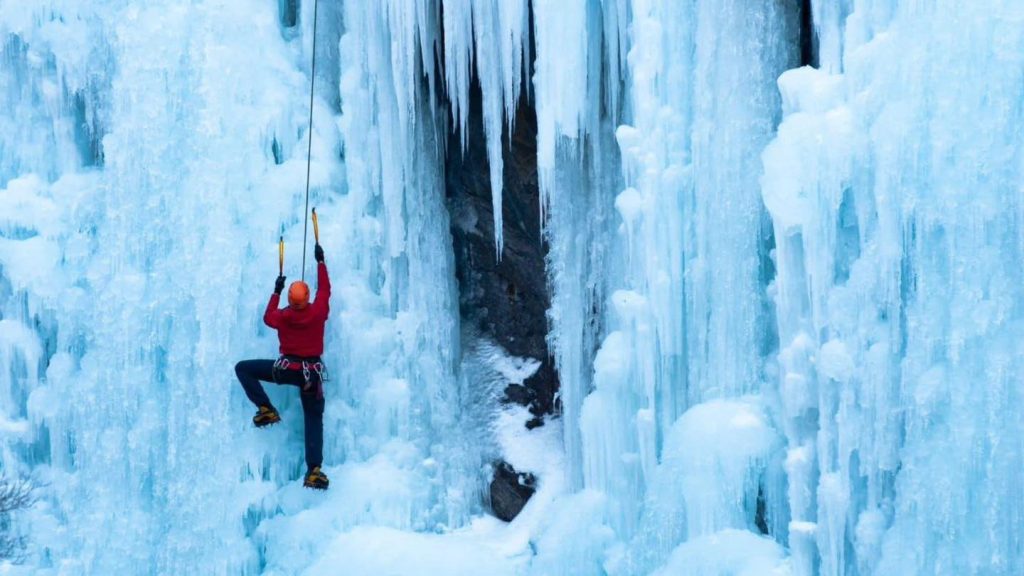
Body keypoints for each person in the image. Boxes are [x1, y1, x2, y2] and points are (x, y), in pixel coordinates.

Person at [235, 243, 331, 490]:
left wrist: (276, 291)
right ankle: (314, 471)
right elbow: (325, 290)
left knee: (244, 368)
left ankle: (266, 408)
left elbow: (268, 316)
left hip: (286, 370)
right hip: (311, 375)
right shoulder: (318, 311)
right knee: (312, 417)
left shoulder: (283, 316)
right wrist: (321, 262)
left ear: (290, 299)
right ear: (308, 298)